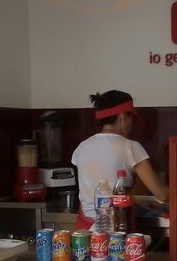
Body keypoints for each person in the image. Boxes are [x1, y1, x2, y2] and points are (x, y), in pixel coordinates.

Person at [72, 90, 168, 230]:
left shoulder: (82, 147)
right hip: (115, 231)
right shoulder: (131, 147)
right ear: (123, 117)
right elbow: (162, 194)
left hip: (85, 231)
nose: (131, 124)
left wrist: (136, 200)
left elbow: (99, 190)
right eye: (131, 118)